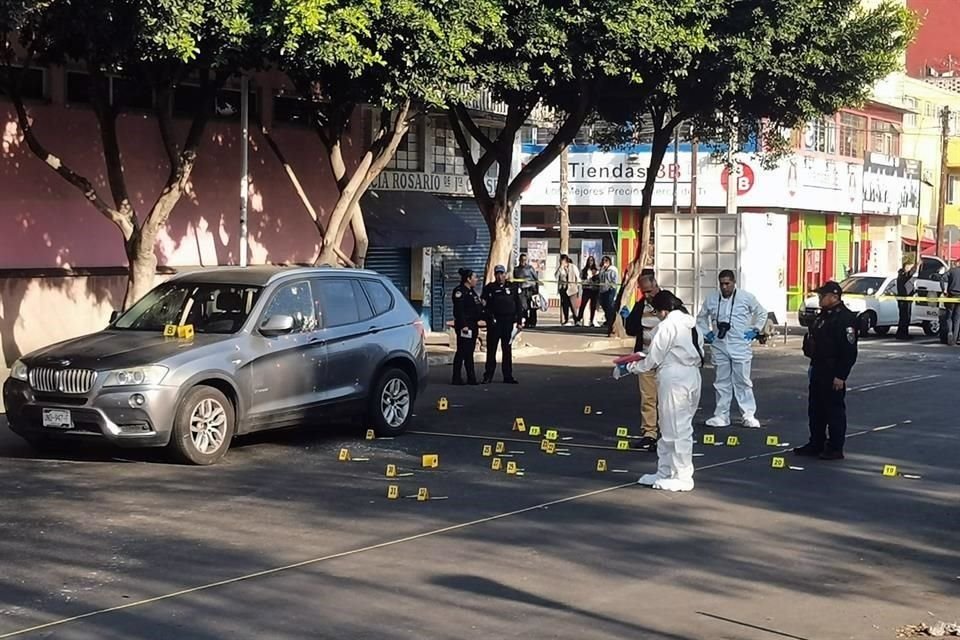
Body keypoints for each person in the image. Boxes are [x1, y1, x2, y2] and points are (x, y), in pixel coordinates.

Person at [617, 290, 704, 492]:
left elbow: (653, 357)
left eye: (656, 312)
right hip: (692, 375)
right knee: (670, 427)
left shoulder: (667, 326)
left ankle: (682, 476)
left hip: (674, 376)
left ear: (662, 311)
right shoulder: (691, 324)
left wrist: (631, 367)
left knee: (676, 429)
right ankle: (665, 471)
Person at [794, 281, 858, 460]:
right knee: (815, 409)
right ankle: (816, 442)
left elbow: (849, 350)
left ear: (835, 297)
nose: (820, 299)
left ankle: (835, 447)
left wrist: (841, 375)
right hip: (818, 366)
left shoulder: (845, 318)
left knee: (834, 410)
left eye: (823, 296)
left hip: (833, 369)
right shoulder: (822, 316)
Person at [696, 270, 767, 428]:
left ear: (734, 283)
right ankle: (721, 415)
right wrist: (706, 332)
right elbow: (701, 317)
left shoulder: (745, 297)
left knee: (742, 381)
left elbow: (761, 313)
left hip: (740, 344)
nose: (724, 287)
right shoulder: (712, 298)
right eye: (722, 283)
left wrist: (755, 329)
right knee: (721, 382)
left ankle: (748, 414)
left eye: (727, 283)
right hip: (719, 344)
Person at [623, 271, 661, 452]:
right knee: (648, 398)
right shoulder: (641, 305)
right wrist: (627, 317)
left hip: (665, 362)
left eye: (649, 291)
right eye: (643, 291)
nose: (647, 295)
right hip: (645, 358)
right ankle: (649, 434)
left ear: (655, 284)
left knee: (666, 399)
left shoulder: (669, 303)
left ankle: (667, 432)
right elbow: (631, 329)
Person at [482, 264, 523, 384]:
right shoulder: (489, 288)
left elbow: (518, 305)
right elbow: (484, 305)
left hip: (508, 322)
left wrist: (519, 322)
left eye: (502, 273)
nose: (500, 276)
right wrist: (488, 317)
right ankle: (488, 375)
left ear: (505, 274)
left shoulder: (513, 287)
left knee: (507, 350)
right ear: (495, 275)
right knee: (491, 350)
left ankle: (508, 376)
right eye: (497, 274)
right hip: (495, 323)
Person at [451, 268, 482, 386]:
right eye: (474, 277)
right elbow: (459, 311)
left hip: (473, 324)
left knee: (469, 352)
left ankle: (471, 377)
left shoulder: (472, 291)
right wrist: (463, 325)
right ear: (468, 279)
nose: (476, 280)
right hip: (465, 326)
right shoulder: (459, 291)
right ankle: (456, 377)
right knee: (462, 351)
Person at [513, 254, 541, 328]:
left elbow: (536, 279)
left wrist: (536, 291)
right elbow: (515, 281)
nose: (523, 261)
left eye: (525, 260)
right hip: (521, 290)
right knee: (523, 307)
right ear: (519, 260)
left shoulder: (530, 268)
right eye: (522, 260)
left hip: (531, 290)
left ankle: (533, 322)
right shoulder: (516, 270)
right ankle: (526, 321)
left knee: (532, 307)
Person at [895, 260, 918, 340]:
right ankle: (903, 334)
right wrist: (917, 265)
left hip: (906, 298)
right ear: (906, 267)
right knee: (905, 317)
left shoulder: (902, 274)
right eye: (910, 267)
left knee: (904, 317)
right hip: (904, 299)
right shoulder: (903, 274)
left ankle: (901, 333)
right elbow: (910, 274)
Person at [556, 255, 580, 326]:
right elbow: (556, 276)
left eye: (562, 260)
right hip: (563, 289)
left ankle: (576, 320)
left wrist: (577, 286)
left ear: (565, 260)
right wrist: (560, 268)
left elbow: (577, 276)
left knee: (573, 306)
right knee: (565, 305)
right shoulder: (561, 268)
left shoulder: (573, 267)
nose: (560, 262)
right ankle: (566, 320)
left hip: (572, 289)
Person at [576, 256, 600, 327]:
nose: (590, 262)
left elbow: (598, 280)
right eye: (589, 260)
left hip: (594, 290)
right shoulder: (584, 270)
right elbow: (581, 279)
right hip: (586, 290)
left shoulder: (596, 270)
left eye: (592, 260)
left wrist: (594, 278)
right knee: (583, 305)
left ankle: (592, 320)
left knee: (593, 306)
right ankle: (578, 320)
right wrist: (586, 281)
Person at [599, 256, 620, 335]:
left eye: (606, 261)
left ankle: (611, 321)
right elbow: (600, 277)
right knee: (604, 305)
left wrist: (612, 287)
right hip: (602, 290)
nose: (604, 263)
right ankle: (608, 320)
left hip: (609, 290)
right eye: (603, 261)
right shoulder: (602, 270)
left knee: (609, 305)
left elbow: (614, 280)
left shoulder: (612, 270)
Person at [943, 260, 960, 345]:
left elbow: (942, 279)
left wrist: (944, 290)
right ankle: (955, 338)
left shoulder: (951, 271)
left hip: (951, 296)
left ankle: (949, 332)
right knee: (957, 319)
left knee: (949, 317)